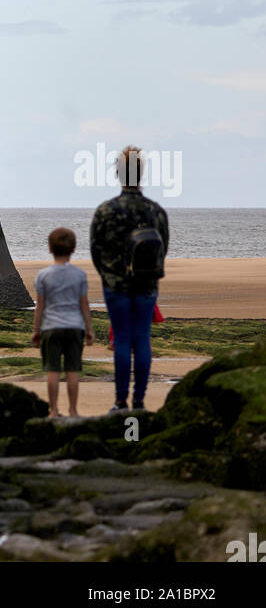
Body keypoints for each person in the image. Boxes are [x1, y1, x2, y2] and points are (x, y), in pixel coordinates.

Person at [90, 144, 169, 413]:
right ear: (141, 174)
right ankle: (139, 402)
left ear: (118, 175)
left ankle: (120, 401)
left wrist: (108, 276)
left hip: (116, 285)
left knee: (122, 339)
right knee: (142, 338)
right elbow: (163, 249)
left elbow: (95, 250)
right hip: (147, 284)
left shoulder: (106, 211)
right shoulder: (155, 211)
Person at [31, 227, 94, 418]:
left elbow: (40, 306)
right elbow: (84, 305)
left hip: (51, 327)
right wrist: (89, 329)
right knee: (73, 370)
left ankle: (54, 410)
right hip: (75, 327)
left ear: (50, 248)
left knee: (53, 370)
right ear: (73, 249)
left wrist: (36, 330)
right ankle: (73, 410)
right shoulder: (79, 275)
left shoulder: (43, 275)